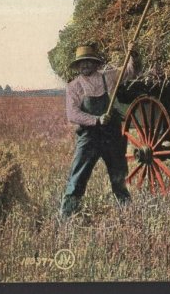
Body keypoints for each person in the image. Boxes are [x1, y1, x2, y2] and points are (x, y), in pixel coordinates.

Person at [59, 44, 136, 219]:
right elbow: (73, 115)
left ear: (95, 64)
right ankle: (66, 215)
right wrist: (95, 120)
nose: (85, 65)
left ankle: (128, 212)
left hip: (111, 135)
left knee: (118, 175)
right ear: (77, 66)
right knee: (78, 176)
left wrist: (132, 54)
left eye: (88, 62)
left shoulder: (107, 77)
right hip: (89, 137)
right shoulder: (74, 86)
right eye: (81, 63)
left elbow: (129, 71)